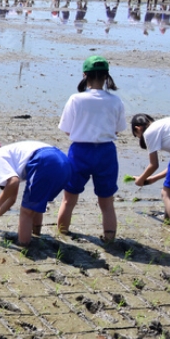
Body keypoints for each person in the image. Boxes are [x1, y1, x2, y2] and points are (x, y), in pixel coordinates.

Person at [56, 56, 126, 243]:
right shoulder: (115, 100)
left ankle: (63, 233)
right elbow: (118, 128)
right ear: (106, 76)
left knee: (69, 199)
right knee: (107, 202)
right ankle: (110, 238)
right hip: (106, 152)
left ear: (84, 75)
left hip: (80, 151)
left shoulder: (76, 99)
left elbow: (66, 129)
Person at [0, 140, 72, 247]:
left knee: (26, 211)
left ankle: (24, 245)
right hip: (63, 162)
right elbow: (11, 199)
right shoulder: (10, 154)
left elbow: (13, 181)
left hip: (44, 161)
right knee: (36, 202)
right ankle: (36, 234)